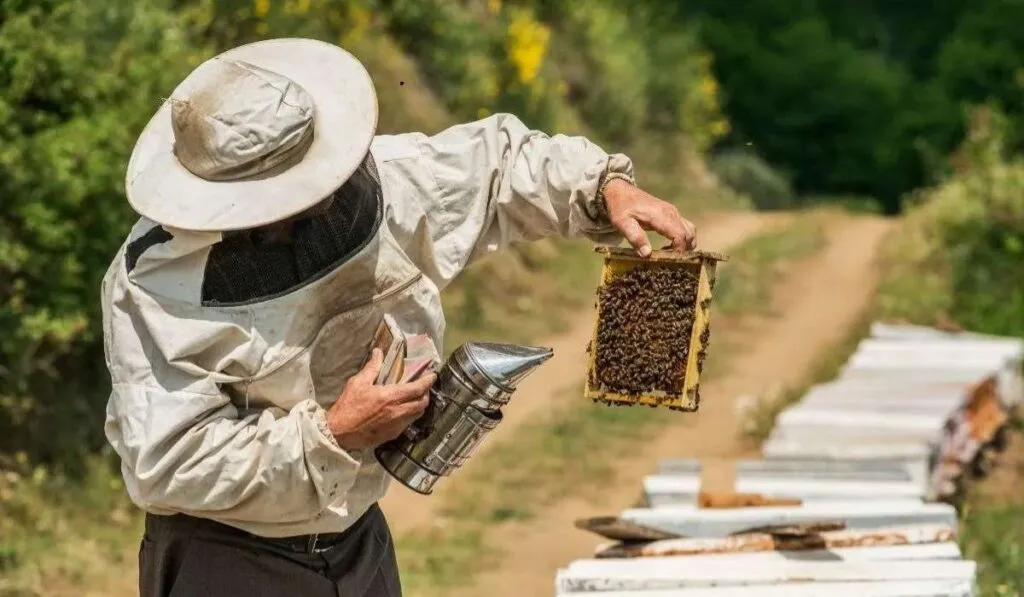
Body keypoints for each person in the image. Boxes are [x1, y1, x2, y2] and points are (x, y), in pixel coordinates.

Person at [101, 38, 697, 597]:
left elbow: (499, 168)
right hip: (228, 562)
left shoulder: (379, 183)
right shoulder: (153, 285)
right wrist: (332, 434)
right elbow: (169, 463)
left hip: (358, 541)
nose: (288, 221)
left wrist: (604, 187)